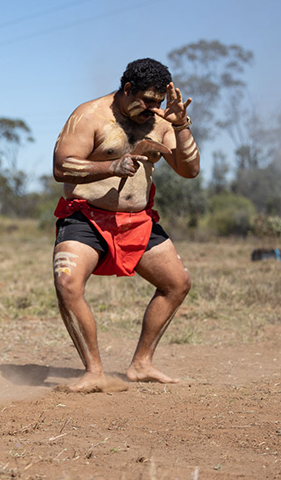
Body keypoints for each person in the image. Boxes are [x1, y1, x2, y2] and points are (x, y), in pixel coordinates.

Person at [52, 58, 200, 393]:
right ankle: (93, 371)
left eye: (158, 102)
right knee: (68, 285)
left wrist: (180, 126)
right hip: (86, 217)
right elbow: (61, 167)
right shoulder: (89, 115)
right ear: (127, 89)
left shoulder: (161, 122)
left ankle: (141, 364)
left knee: (177, 284)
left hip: (139, 221)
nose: (152, 109)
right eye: (146, 101)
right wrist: (112, 166)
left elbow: (189, 171)